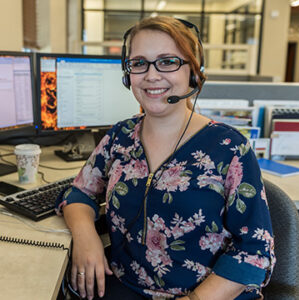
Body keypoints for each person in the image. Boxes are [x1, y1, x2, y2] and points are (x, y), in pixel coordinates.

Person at [56, 16, 275, 300]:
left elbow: (255, 251)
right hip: (126, 287)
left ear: (194, 73)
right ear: (128, 74)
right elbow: (79, 192)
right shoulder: (120, 136)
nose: (151, 75)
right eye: (139, 63)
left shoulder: (230, 148)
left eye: (168, 61)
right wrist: (86, 235)